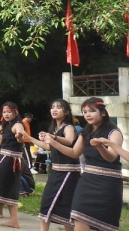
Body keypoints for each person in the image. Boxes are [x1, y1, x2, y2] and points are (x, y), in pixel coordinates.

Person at [45, 97, 122, 231]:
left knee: (105, 223)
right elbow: (74, 153)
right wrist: (53, 143)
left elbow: (111, 157)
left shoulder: (114, 132)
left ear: (103, 113)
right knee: (78, 216)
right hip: (87, 180)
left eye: (91, 111)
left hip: (108, 182)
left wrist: (100, 146)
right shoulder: (84, 132)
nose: (87, 114)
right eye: (85, 112)